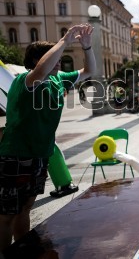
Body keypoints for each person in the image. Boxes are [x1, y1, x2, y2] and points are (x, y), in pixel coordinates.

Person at [0, 24, 96, 251]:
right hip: (16, 155)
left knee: (25, 208)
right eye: (56, 57)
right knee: (6, 215)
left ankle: (23, 250)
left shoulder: (58, 79)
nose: (60, 61)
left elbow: (89, 71)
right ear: (36, 60)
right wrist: (64, 40)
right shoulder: (25, 80)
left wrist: (87, 47)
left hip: (40, 155)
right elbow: (41, 71)